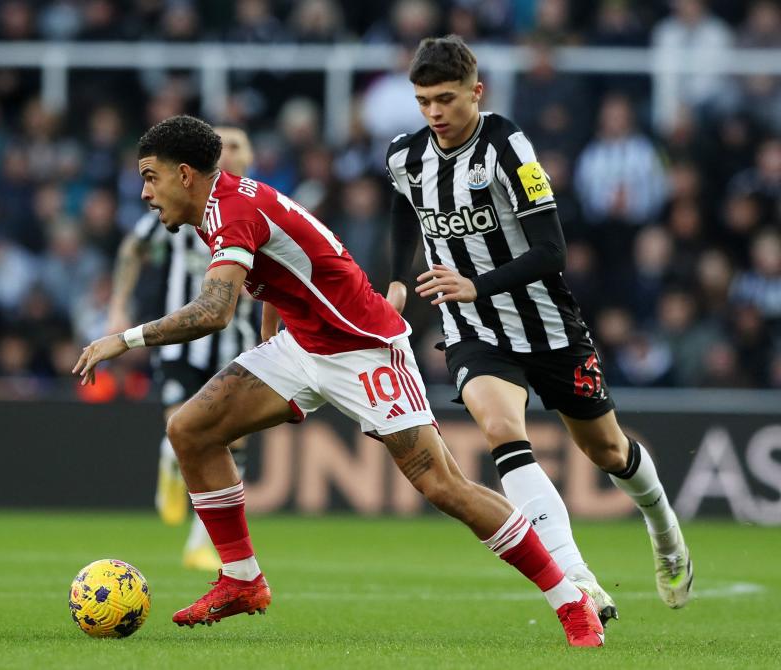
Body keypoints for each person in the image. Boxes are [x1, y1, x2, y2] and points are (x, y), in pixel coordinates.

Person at [74, 115, 604, 646]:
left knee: (445, 486)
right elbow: (278, 275)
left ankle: (570, 600)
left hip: (364, 349)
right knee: (191, 429)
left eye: (150, 177)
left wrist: (124, 339)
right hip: (303, 344)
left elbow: (214, 311)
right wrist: (266, 348)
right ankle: (241, 579)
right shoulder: (223, 205)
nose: (145, 192)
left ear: (185, 174)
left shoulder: (231, 210)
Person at [383, 35, 692, 621]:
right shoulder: (405, 155)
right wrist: (400, 280)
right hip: (471, 327)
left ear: (477, 91)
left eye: (446, 99)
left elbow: (553, 251)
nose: (434, 113)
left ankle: (664, 528)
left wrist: (477, 282)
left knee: (605, 448)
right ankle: (577, 580)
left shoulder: (508, 148)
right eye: (423, 101)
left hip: (547, 325)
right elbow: (405, 210)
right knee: (501, 428)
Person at [106, 126, 258, 571]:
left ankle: (201, 541)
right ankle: (170, 460)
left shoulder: (253, 206)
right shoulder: (181, 201)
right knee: (183, 430)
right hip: (181, 345)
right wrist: (118, 307)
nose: (228, 152)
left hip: (237, 344)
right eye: (221, 145)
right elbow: (134, 247)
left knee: (234, 443)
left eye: (236, 145)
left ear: (249, 156)